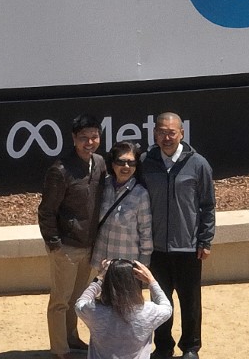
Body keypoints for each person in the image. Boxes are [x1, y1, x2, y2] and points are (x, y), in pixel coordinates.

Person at [140, 112, 215, 359]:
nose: (167, 137)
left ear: (182, 133)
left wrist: (205, 240)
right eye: (161, 132)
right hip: (156, 248)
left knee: (190, 301)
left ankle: (191, 348)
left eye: (172, 132)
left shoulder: (198, 164)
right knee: (160, 302)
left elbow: (207, 205)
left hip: (188, 247)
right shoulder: (145, 162)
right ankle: (163, 347)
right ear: (155, 134)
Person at [38, 114, 107, 359]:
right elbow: (46, 211)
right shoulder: (60, 170)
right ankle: (60, 350)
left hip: (88, 244)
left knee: (77, 299)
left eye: (94, 136)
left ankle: (71, 338)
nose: (90, 142)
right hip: (65, 247)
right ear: (73, 139)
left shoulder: (99, 163)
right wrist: (54, 244)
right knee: (60, 301)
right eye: (83, 138)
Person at [75, 258, 173, 359]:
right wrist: (152, 281)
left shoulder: (94, 310)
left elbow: (80, 303)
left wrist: (99, 279)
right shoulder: (147, 311)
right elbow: (167, 308)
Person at [91, 142, 153, 269]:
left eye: (131, 163)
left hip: (127, 264)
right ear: (113, 164)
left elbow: (145, 231)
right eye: (121, 162)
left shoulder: (141, 194)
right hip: (102, 261)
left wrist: (143, 263)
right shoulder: (103, 186)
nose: (126, 166)